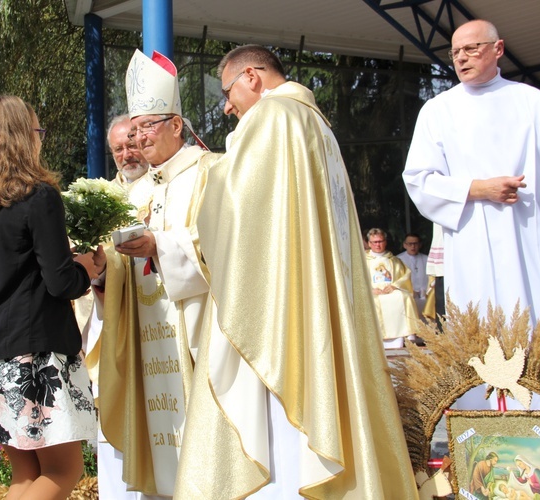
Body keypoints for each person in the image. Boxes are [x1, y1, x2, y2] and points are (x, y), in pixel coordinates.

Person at [176, 44, 418, 498]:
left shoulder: (271, 118)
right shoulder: (315, 122)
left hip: (279, 303)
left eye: (228, 92)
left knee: (278, 416)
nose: (227, 106)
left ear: (252, 76)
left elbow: (237, 208)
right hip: (316, 294)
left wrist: (209, 176)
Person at [0, 95, 97, 500]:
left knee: (26, 477)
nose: (41, 140)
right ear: (19, 138)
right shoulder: (37, 197)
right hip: (30, 354)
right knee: (64, 472)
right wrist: (88, 268)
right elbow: (61, 282)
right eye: (37, 131)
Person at [85, 49, 220, 497]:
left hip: (194, 331)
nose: (138, 139)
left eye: (147, 128)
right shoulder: (133, 192)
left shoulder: (210, 172)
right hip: (144, 336)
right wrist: (101, 270)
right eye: (135, 129)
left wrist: (160, 246)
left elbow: (222, 247)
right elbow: (116, 272)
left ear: (176, 125)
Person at [404, 19, 540, 329]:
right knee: (482, 332)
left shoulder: (532, 102)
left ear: (498, 48)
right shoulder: (438, 110)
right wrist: (477, 189)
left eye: (471, 49)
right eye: (455, 52)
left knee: (539, 326)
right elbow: (418, 178)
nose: (461, 57)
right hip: (472, 241)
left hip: (532, 234)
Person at [75, 113, 153, 499]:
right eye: (118, 149)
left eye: (133, 144)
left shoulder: (165, 187)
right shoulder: (99, 199)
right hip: (113, 324)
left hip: (160, 325)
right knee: (115, 413)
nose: (127, 154)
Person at [366, 228, 421, 349]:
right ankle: (374, 339)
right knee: (372, 301)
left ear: (385, 242)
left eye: (380, 241)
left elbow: (406, 274)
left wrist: (394, 286)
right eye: (374, 242)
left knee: (404, 297)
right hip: (371, 292)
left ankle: (405, 335)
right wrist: (369, 289)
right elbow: (357, 279)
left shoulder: (394, 260)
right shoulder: (362, 260)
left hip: (390, 290)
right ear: (369, 243)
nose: (378, 244)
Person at [397, 232, 429, 318]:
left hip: (425, 295)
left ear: (420, 245)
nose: (413, 246)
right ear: (405, 245)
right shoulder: (398, 260)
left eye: (415, 243)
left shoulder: (427, 259)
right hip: (409, 297)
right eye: (410, 244)